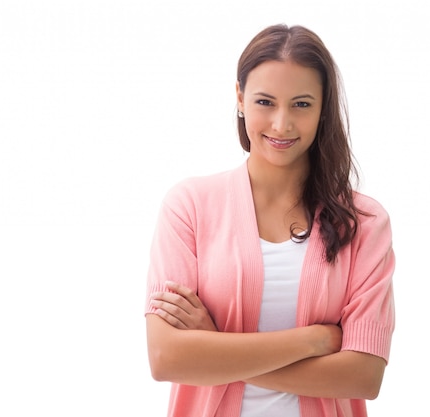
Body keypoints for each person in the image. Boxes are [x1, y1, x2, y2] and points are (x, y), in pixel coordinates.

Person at [144, 23, 395, 417]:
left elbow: (363, 376)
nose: (281, 124)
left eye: (301, 104)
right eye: (265, 102)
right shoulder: (189, 206)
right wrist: (313, 340)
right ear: (240, 98)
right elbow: (167, 357)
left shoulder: (363, 222)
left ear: (323, 108)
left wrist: (216, 348)